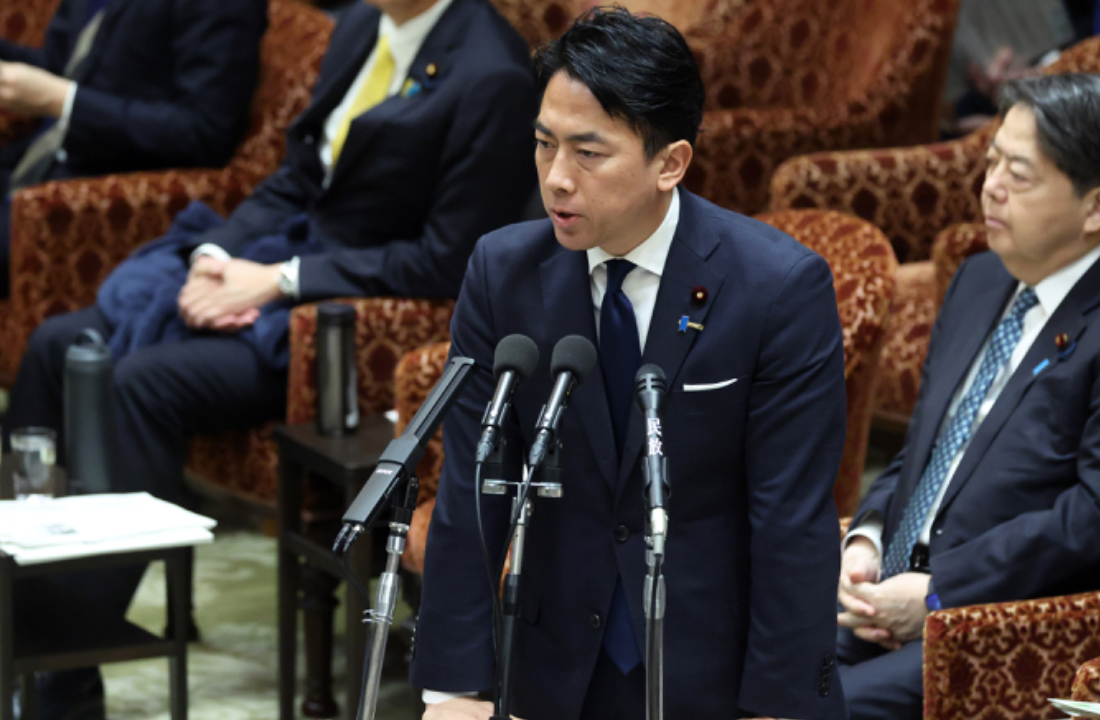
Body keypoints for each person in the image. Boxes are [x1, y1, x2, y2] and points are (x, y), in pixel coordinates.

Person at [3, 0, 536, 717]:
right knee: (56, 345)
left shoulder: (491, 72)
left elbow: (447, 257)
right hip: (271, 262)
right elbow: (296, 178)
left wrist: (282, 282)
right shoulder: (360, 26)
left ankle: (65, 673)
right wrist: (218, 256)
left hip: (334, 320)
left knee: (135, 384)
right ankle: (22, 627)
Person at [411, 8, 848, 720]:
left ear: (670, 162)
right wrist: (457, 687)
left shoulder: (777, 289)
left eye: (589, 153)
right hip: (549, 672)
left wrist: (779, 705)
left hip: (714, 673)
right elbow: (473, 485)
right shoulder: (503, 271)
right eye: (544, 144)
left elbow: (790, 518)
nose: (556, 178)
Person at [837, 73, 1100, 719]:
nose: (991, 186)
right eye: (993, 159)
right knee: (705, 650)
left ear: (1098, 208)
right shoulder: (981, 277)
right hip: (883, 600)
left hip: (997, 627)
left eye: (1021, 174)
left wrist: (939, 595)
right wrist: (865, 541)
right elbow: (925, 453)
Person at [0, 0, 269, 297]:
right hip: (34, 160)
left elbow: (203, 132)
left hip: (95, 194)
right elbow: (61, 65)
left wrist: (64, 101)